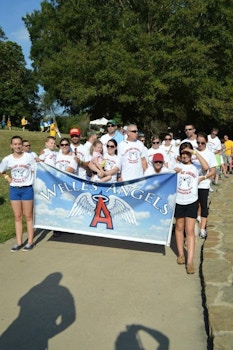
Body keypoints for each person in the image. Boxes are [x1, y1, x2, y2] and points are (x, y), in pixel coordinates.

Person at [174, 142, 208, 274]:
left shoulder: (196, 167)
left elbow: (206, 167)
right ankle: (181, 254)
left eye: (187, 153)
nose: (185, 155)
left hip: (191, 201)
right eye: (182, 152)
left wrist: (194, 152)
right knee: (179, 227)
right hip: (178, 201)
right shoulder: (176, 166)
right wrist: (174, 170)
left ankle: (190, 261)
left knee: (189, 230)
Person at [0, 136, 35, 252]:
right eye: (15, 144)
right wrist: (7, 177)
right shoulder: (8, 159)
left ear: (22, 145)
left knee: (28, 216)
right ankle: (19, 242)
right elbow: (1, 170)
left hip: (27, 189)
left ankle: (30, 241)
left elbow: (35, 170)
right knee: (17, 216)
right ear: (11, 146)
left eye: (19, 144)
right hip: (15, 190)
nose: (17, 146)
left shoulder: (29, 157)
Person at [193, 132, 217, 239]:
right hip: (191, 184)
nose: (200, 145)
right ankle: (192, 226)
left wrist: (203, 178)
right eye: (198, 142)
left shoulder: (210, 154)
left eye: (202, 143)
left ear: (206, 142)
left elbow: (212, 171)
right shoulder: (193, 151)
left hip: (203, 184)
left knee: (203, 205)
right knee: (193, 205)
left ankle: (202, 228)